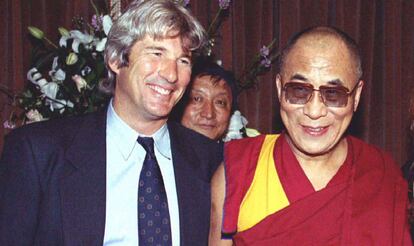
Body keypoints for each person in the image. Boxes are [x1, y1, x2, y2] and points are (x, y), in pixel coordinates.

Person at [0, 1, 223, 245]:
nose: (171, 75)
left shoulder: (212, 161)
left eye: (183, 61)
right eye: (156, 53)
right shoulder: (39, 153)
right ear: (116, 60)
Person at [210, 26, 412, 245]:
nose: (314, 111)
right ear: (279, 88)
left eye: (333, 94)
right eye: (299, 90)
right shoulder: (239, 172)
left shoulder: (380, 175)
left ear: (356, 96)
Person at [174, 58, 238, 141]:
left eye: (220, 102)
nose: (209, 114)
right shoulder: (156, 151)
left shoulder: (240, 152)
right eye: (197, 99)